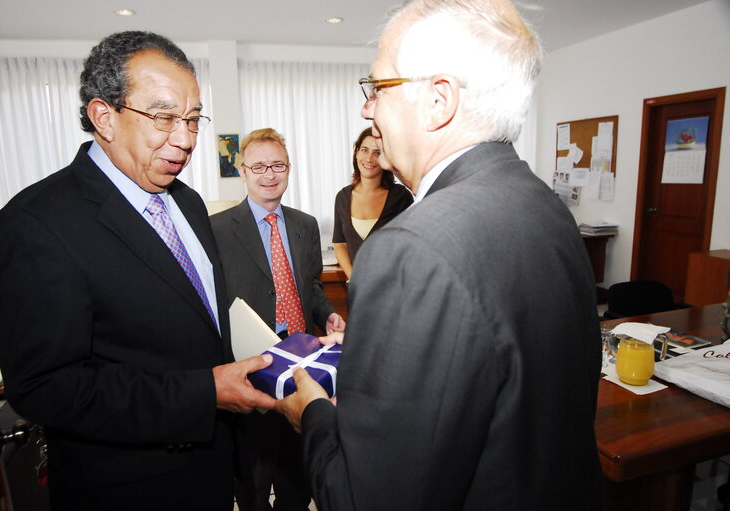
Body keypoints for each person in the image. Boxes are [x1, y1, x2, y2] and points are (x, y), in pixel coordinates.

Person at [275, 0, 604, 509]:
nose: (367, 109)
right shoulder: (545, 205)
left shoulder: (410, 249)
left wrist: (315, 415)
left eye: (378, 88)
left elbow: (366, 498)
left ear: (438, 99)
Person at [0, 31, 275, 510]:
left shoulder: (186, 201)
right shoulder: (37, 221)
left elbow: (195, 323)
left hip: (215, 466)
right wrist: (202, 394)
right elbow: (46, 387)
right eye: (163, 117)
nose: (184, 140)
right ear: (104, 117)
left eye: (191, 119)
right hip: (129, 486)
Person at [210, 128, 345, 511]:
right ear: (243, 171)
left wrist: (330, 314)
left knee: (297, 480)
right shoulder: (217, 229)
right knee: (253, 482)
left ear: (289, 169)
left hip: (303, 369)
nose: (269, 174)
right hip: (252, 371)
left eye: (278, 165)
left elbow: (312, 287)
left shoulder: (304, 225)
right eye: (259, 166)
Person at [332, 127, 413, 281]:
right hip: (358, 291)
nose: (369, 159)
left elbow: (409, 247)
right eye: (364, 150)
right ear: (356, 153)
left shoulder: (400, 197)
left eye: (377, 153)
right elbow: (340, 244)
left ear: (386, 157)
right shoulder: (342, 197)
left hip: (393, 287)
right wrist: (354, 279)